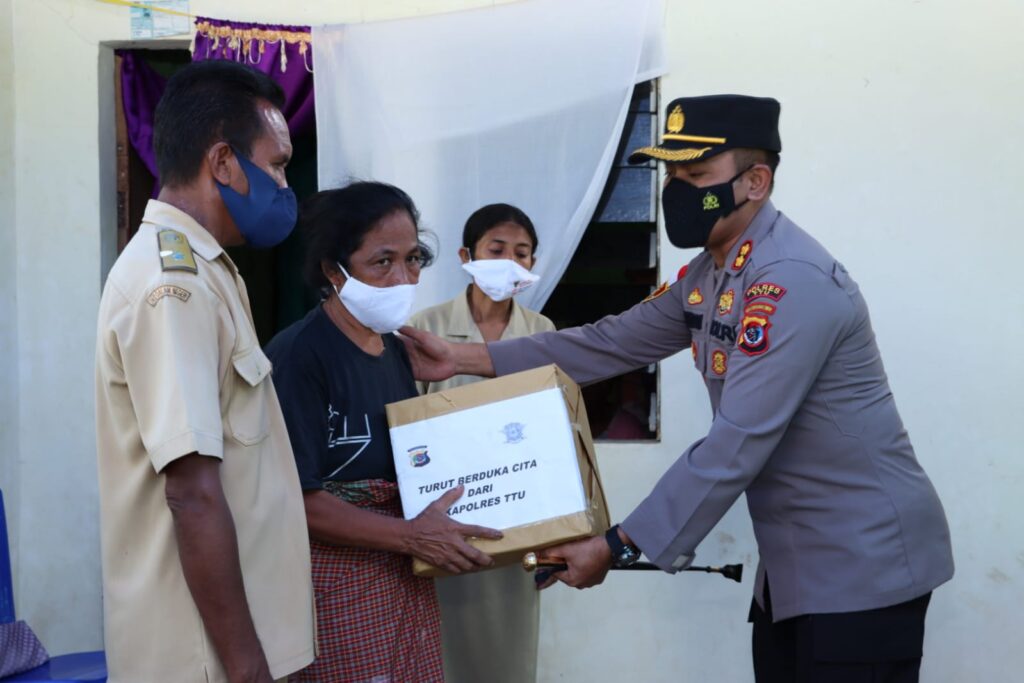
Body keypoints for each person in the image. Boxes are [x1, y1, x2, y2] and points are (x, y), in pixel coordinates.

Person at [400, 95, 955, 682]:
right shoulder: (713, 273)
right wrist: (463, 356)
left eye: (696, 177)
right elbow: (607, 343)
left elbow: (738, 440)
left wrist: (616, 544)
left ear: (755, 181)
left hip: (861, 563)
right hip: (796, 564)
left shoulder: (790, 282)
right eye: (670, 176)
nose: (677, 192)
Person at [94, 61, 314, 683]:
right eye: (275, 164)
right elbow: (191, 491)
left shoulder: (210, 269)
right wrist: (246, 669)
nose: (282, 183)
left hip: (231, 646)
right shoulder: (175, 286)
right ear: (222, 161)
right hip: (203, 659)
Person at [263, 182, 502, 683]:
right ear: (334, 270)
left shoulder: (396, 352)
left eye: (413, 259)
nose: (402, 277)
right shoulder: (300, 357)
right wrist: (410, 536)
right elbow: (295, 498)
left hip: (403, 583)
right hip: (334, 592)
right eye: (382, 262)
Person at [408, 203, 555, 683]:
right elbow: (408, 428)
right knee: (441, 650)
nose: (510, 261)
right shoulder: (424, 328)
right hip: (442, 519)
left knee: (507, 656)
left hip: (519, 519)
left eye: (523, 252)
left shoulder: (543, 332)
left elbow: (554, 429)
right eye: (497, 249)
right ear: (465, 255)